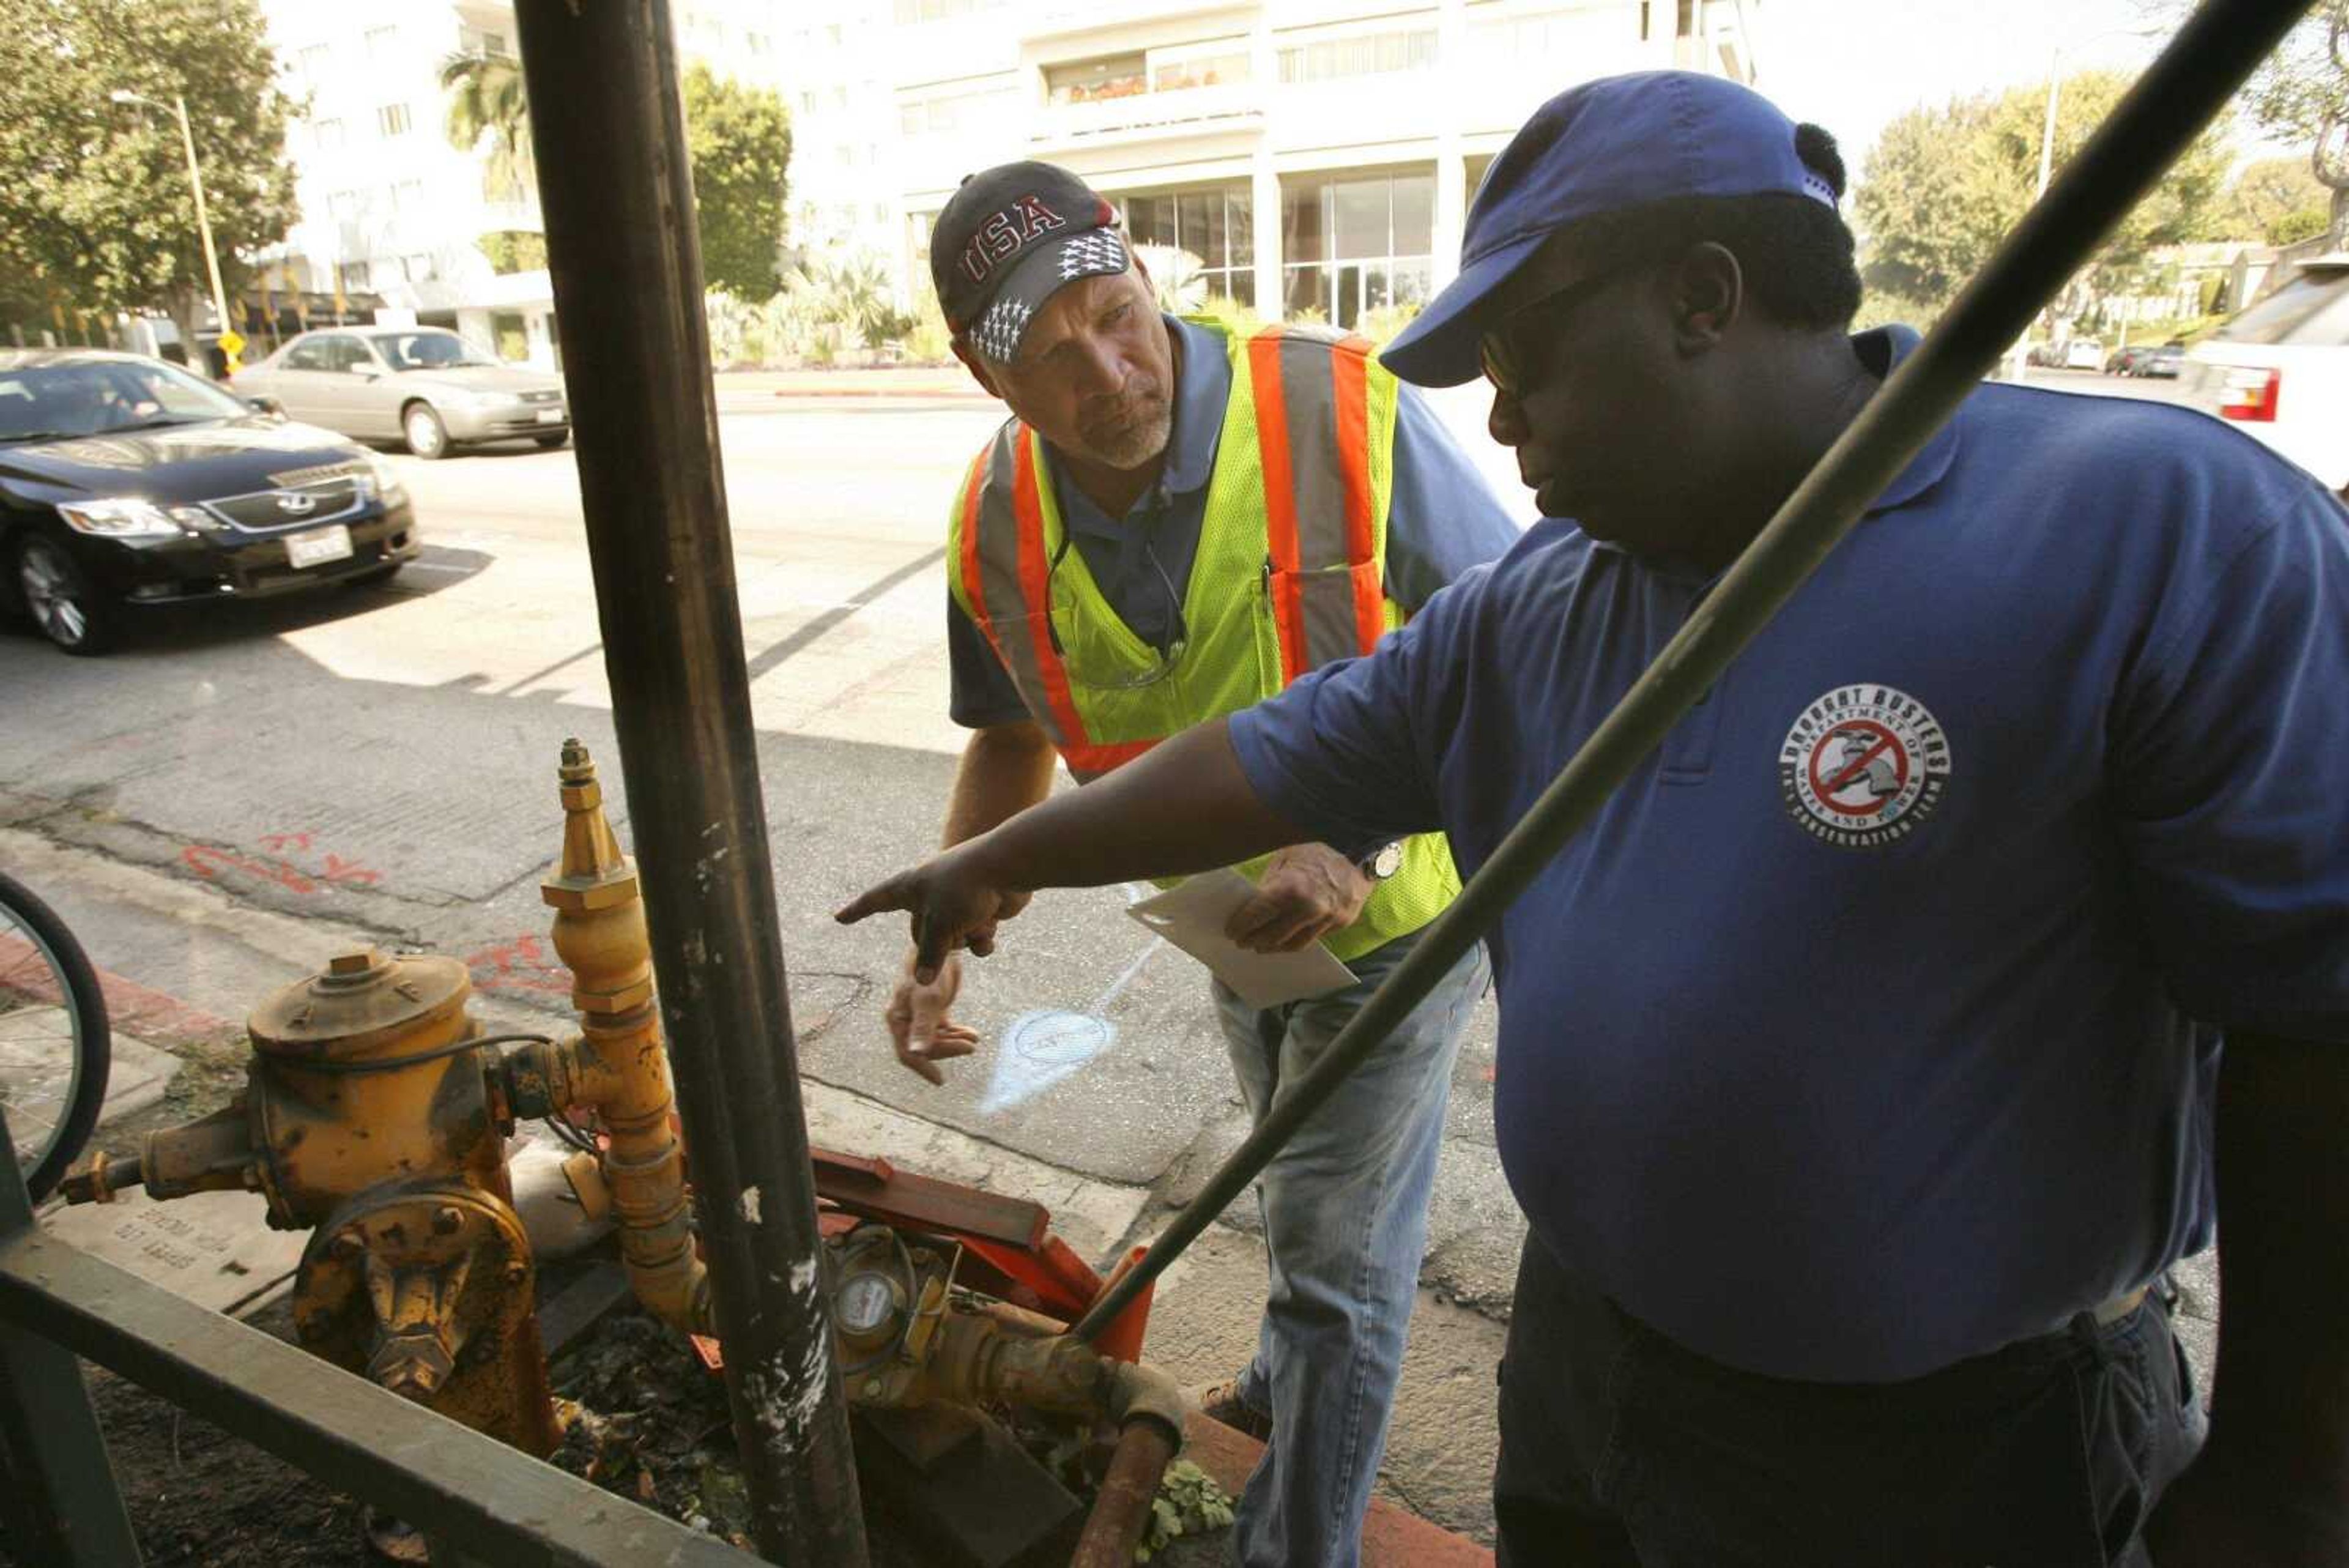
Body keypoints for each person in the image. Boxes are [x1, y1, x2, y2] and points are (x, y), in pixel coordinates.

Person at [842, 74, 2349, 1568]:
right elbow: (1279, 750)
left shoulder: (2156, 536)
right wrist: (1001, 856)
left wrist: (2287, 1480)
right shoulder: (1542, 604)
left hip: (1942, 1461)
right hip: (1587, 1378)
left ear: (1702, 299)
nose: (1498, 421)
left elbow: (2319, 1027)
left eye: (1527, 359)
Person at [891, 160, 1521, 1567]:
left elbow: (1527, 650)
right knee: (1300, 1201)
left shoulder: (1338, 408)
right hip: (1235, 931)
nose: (1110, 374)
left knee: (1339, 1270)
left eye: (1120, 316)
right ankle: (1295, 1384)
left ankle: (1300, 1543)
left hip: (1402, 919)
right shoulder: (993, 522)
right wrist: (944, 921)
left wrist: (1358, 834)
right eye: (1052, 360)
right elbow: (1010, 744)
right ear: (983, 378)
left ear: (1145, 271)